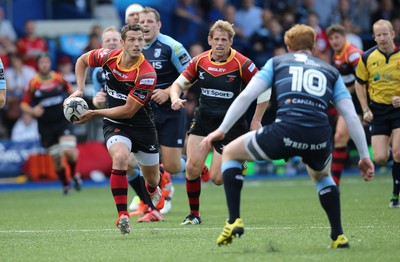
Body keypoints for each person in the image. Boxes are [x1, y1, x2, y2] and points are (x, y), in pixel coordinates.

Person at [200, 24, 374, 248]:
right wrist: (363, 155)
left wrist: (222, 129)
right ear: (313, 46)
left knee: (231, 152)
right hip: (319, 136)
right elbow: (350, 115)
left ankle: (234, 220)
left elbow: (246, 96)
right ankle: (338, 235)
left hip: (285, 130)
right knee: (322, 176)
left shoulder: (277, 62)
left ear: (288, 46)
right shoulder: (330, 71)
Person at [170, 20, 269, 225]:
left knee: (217, 178)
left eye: (224, 39)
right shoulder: (200, 61)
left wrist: (256, 119)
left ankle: (239, 160)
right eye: (216, 39)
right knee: (191, 167)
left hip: (230, 124)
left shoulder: (242, 63)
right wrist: (174, 98)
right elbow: (178, 84)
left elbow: (265, 89)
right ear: (209, 40)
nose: (220, 43)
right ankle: (194, 215)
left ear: (231, 41)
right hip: (204, 120)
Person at [70, 23, 164, 235]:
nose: (137, 44)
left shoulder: (147, 73)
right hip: (115, 124)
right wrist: (80, 89)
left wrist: (93, 113)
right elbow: (82, 61)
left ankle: (152, 189)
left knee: (152, 179)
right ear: (122, 42)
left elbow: (128, 111)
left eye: (140, 39)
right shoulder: (107, 56)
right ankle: (123, 215)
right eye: (132, 39)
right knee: (120, 158)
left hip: (141, 125)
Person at [132, 7, 194, 219]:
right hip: (143, 112)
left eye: (150, 21)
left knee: (172, 166)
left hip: (170, 111)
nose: (146, 25)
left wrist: (168, 92)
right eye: (142, 21)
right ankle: (152, 204)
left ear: (159, 25)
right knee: (141, 159)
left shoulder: (173, 47)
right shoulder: (132, 49)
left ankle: (194, 165)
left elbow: (192, 75)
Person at [20, 52, 82, 195]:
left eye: (47, 62)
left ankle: (73, 174)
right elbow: (24, 105)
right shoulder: (33, 83)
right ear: (38, 64)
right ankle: (66, 185)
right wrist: (33, 111)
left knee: (69, 151)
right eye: (42, 62)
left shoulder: (59, 78)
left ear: (50, 63)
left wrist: (69, 104)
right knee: (57, 161)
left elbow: (72, 92)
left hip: (62, 122)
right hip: (46, 126)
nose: (44, 64)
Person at [355, 19, 400, 208]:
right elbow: (359, 83)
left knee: (398, 152)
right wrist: (365, 108)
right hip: (379, 111)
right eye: (378, 35)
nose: (382, 38)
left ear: (393, 34)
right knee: (380, 157)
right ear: (373, 37)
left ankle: (395, 196)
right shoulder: (367, 57)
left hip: (398, 110)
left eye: (385, 34)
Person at [326, 24, 364, 186]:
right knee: (339, 138)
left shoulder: (353, 54)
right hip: (350, 101)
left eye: (337, 37)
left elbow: (363, 79)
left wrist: (343, 92)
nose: (334, 41)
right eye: (331, 38)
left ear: (344, 37)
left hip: (363, 101)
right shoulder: (336, 54)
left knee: (390, 147)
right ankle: (335, 183)